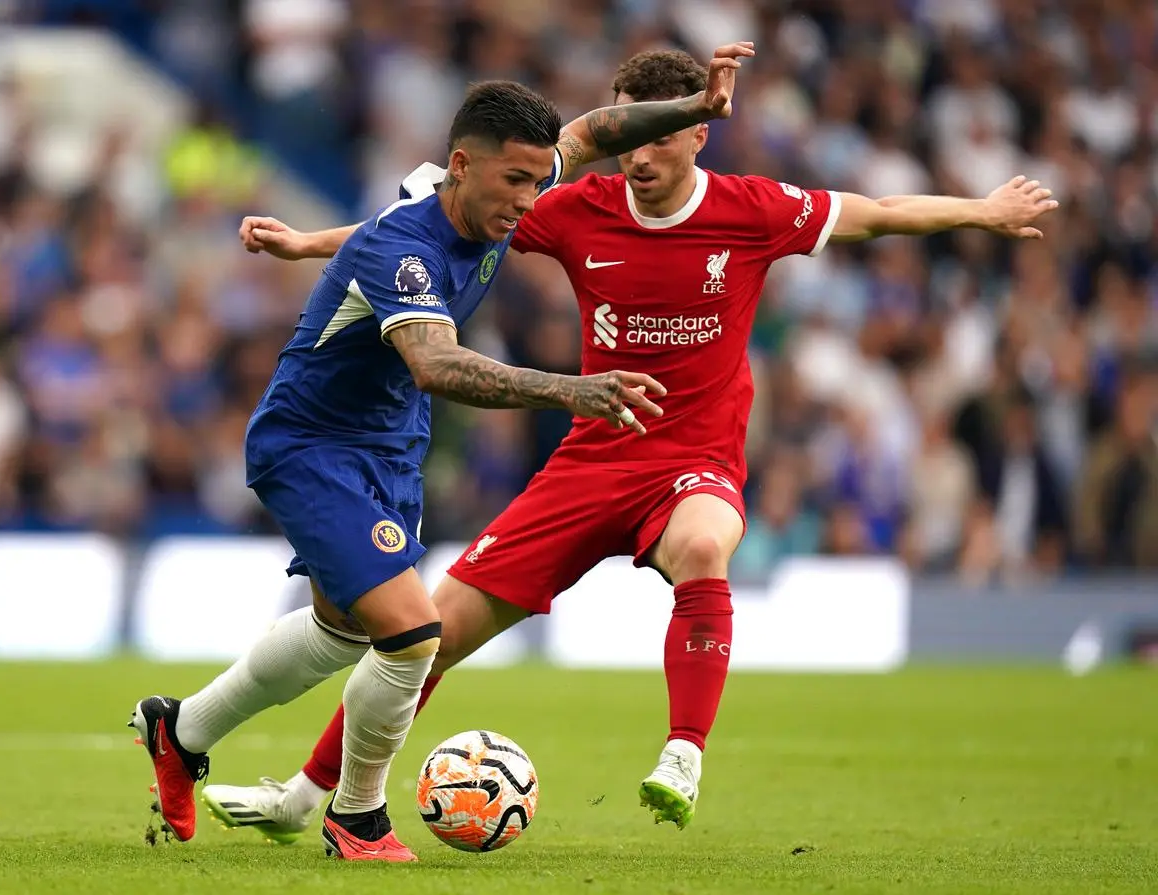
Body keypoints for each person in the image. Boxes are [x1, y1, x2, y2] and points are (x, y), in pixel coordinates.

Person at [199, 48, 1058, 842]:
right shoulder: (574, 208)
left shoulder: (753, 209)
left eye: (654, 136)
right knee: (431, 633)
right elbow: (420, 232)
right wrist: (306, 244)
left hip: (695, 458)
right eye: (626, 136)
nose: (636, 158)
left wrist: (983, 211)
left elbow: (878, 214)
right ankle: (306, 797)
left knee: (701, 546)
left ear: (693, 133)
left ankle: (683, 750)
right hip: (591, 457)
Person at [130, 49, 753, 863]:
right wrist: (572, 391)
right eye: (516, 185)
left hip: (391, 445)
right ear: (460, 167)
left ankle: (181, 730)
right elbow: (438, 364)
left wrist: (697, 106)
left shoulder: (498, 188)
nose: (531, 203)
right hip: (314, 444)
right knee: (415, 633)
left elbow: (599, 130)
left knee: (338, 630)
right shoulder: (408, 249)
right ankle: (356, 817)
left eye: (541, 182)